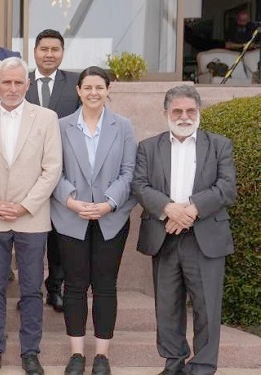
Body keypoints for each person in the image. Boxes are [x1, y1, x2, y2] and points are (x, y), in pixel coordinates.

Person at [132, 85, 237, 375]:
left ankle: (203, 366)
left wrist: (190, 210)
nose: (184, 116)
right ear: (166, 113)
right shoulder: (148, 147)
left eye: (190, 110)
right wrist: (169, 209)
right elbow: (139, 185)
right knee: (167, 307)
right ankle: (174, 363)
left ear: (199, 112)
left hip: (205, 238)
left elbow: (227, 188)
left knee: (207, 307)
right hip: (164, 236)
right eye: (177, 111)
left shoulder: (219, 145)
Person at [0, 57, 62, 375]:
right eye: (6, 82)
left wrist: (26, 205)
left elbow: (53, 168)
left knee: (31, 288)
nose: (12, 88)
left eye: (18, 82)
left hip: (32, 217)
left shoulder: (47, 118)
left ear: (28, 84)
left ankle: (30, 352)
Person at [50, 66, 137, 375]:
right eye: (87, 87)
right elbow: (52, 170)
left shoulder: (123, 126)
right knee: (74, 285)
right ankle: (76, 354)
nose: (93, 92)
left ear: (108, 89)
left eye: (99, 87)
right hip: (69, 216)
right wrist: (71, 200)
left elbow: (130, 171)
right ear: (78, 91)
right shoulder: (60, 126)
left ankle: (101, 355)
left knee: (104, 286)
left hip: (110, 218)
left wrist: (108, 204)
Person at [24, 28, 81, 314]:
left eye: (54, 49)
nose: (49, 54)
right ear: (35, 52)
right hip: (26, 173)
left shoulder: (75, 84)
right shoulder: (22, 82)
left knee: (59, 235)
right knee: (30, 238)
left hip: (64, 171)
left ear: (62, 53)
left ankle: (55, 288)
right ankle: (29, 291)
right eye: (44, 49)